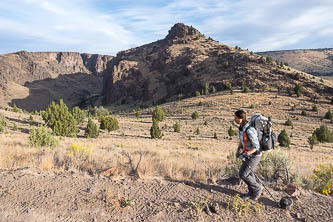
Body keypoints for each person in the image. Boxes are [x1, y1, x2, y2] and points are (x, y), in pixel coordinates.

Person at [234, 109, 263, 200]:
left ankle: (258, 189)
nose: (234, 119)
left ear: (241, 118)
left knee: (243, 174)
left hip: (254, 156)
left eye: (236, 118)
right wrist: (238, 150)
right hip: (248, 155)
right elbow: (242, 140)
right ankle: (251, 192)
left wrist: (245, 154)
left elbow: (256, 147)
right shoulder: (241, 128)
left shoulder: (250, 129)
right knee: (248, 174)